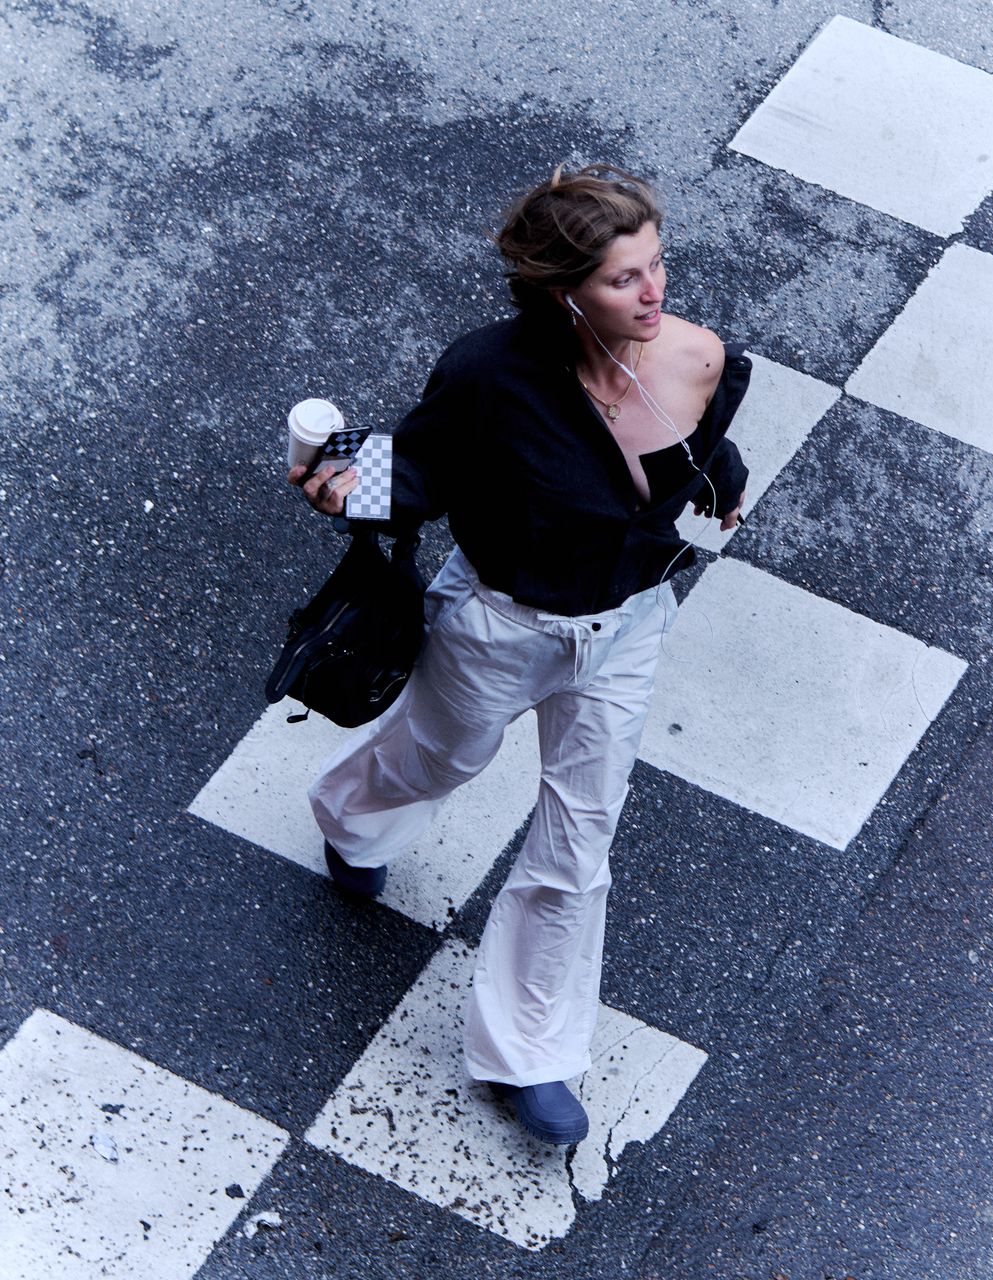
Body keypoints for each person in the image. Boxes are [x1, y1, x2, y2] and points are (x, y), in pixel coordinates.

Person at [287, 164, 751, 1146]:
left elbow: (700, 444)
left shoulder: (698, 357)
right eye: (624, 278)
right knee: (440, 757)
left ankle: (529, 1053)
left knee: (578, 845)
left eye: (657, 263)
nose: (656, 291)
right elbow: (419, 466)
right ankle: (352, 819)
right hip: (499, 623)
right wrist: (335, 480)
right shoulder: (488, 376)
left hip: (624, 628)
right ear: (563, 292)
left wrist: (721, 481)